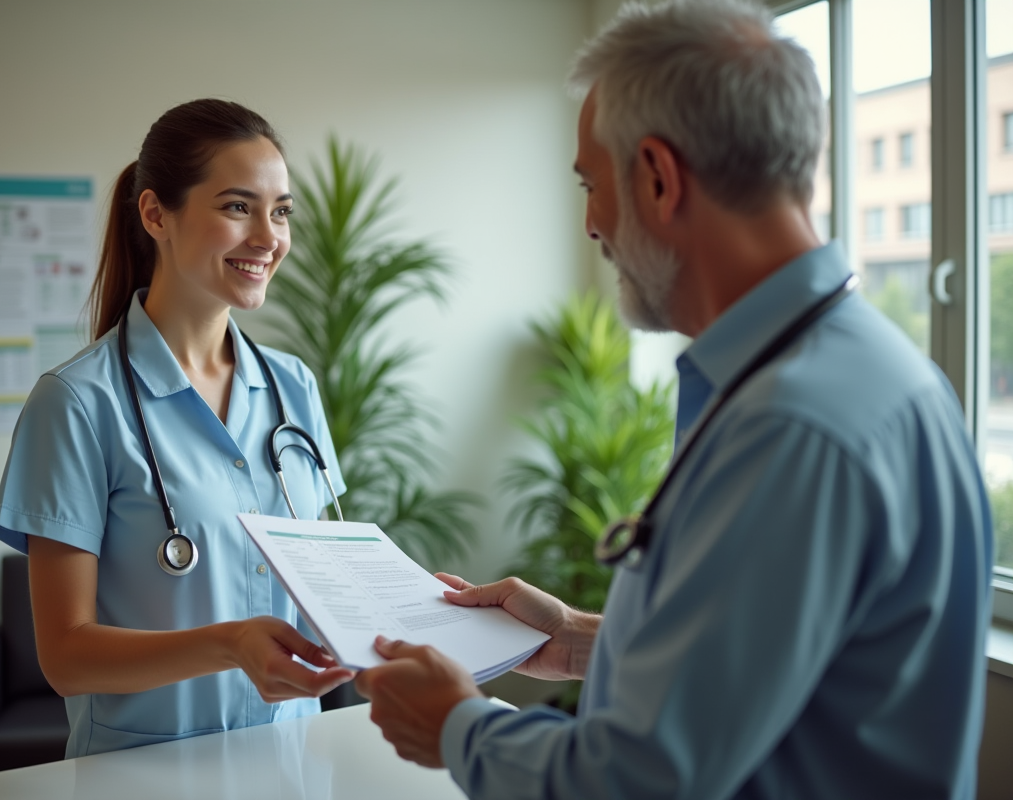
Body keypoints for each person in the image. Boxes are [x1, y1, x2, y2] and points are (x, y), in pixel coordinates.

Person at [354, 1, 993, 798]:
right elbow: (776, 662)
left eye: (592, 184)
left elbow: (645, 782)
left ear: (658, 177)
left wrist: (456, 726)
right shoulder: (872, 373)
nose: (591, 224)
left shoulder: (788, 427)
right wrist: (585, 639)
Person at [0, 99, 354, 758]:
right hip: (144, 773)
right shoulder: (76, 405)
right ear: (156, 213)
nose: (268, 237)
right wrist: (229, 644)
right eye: (237, 207)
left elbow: (320, 580)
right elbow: (66, 656)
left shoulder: (293, 386)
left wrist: (416, 605)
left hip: (293, 763)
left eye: (280, 211)